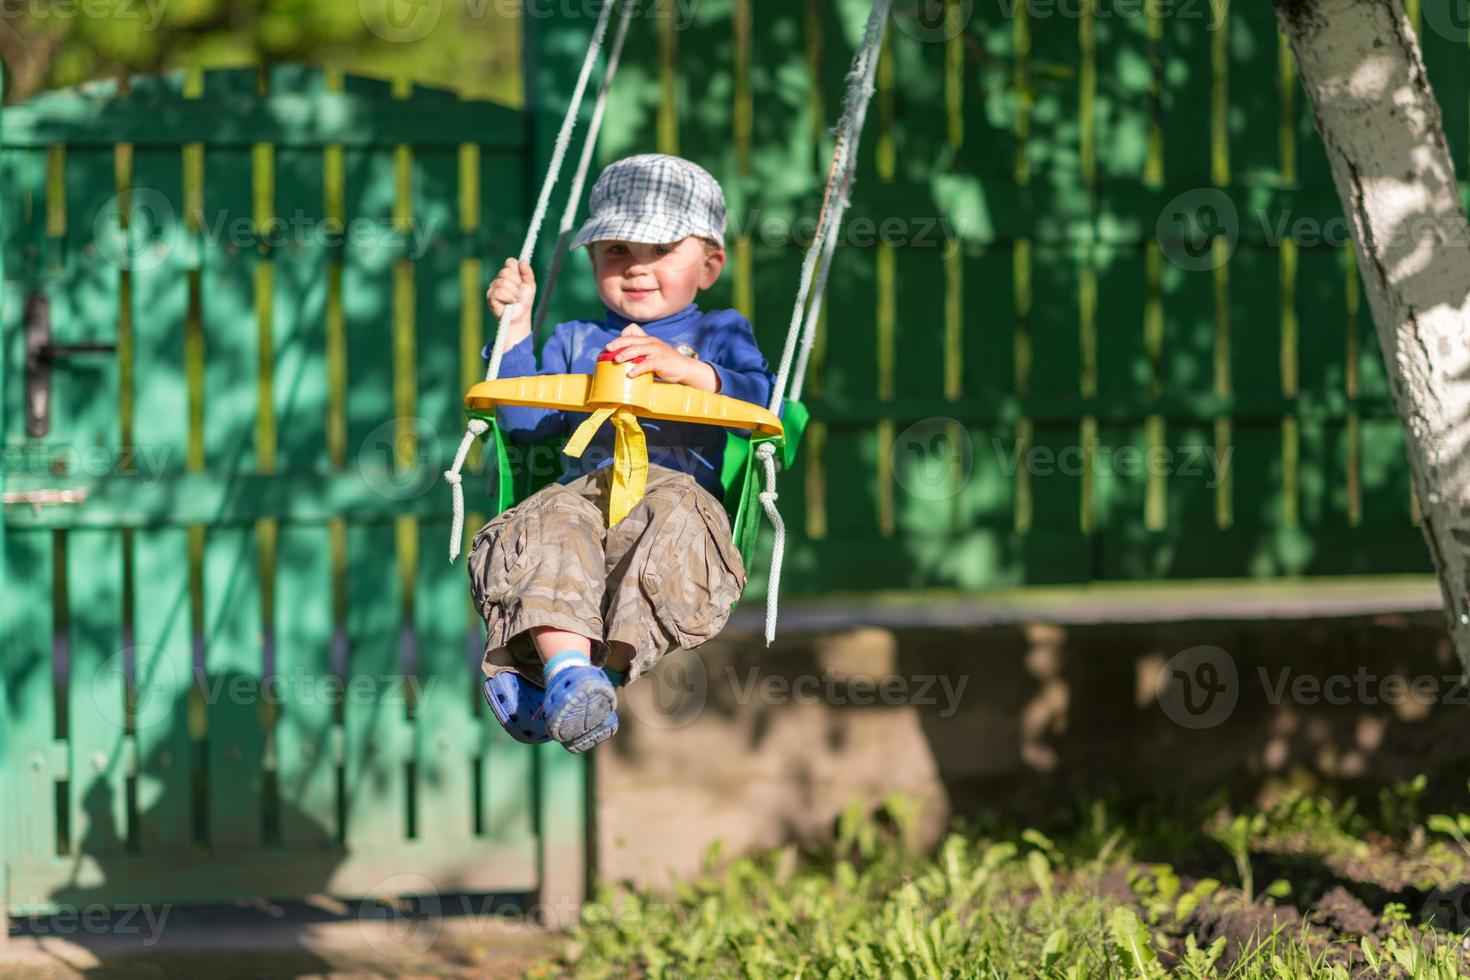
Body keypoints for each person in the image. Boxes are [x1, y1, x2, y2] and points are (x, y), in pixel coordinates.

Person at [470, 153, 776, 753]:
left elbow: (764, 397)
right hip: (588, 492)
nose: (636, 269)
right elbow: (527, 421)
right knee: (548, 521)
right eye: (615, 251)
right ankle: (566, 675)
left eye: (660, 250)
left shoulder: (720, 333)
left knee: (675, 523)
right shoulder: (575, 340)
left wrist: (689, 371)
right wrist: (516, 329)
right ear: (590, 259)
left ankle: (597, 670)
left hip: (676, 494)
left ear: (710, 265)